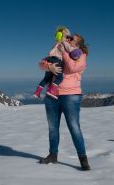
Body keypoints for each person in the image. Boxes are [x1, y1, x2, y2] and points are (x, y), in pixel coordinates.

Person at [38, 33, 91, 171]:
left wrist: (64, 52)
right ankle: (53, 155)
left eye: (71, 39)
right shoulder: (58, 50)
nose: (67, 39)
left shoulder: (81, 55)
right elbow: (42, 63)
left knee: (74, 127)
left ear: (77, 44)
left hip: (70, 95)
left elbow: (73, 67)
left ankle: (83, 159)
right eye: (67, 37)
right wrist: (49, 67)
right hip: (52, 95)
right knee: (52, 128)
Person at [33, 26, 83, 99]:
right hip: (57, 60)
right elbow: (71, 50)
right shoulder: (64, 43)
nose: (69, 39)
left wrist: (49, 66)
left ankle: (37, 92)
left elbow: (48, 56)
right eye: (68, 37)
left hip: (50, 59)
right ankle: (51, 91)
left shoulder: (55, 44)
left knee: (46, 78)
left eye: (71, 38)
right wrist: (77, 51)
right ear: (64, 37)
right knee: (59, 78)